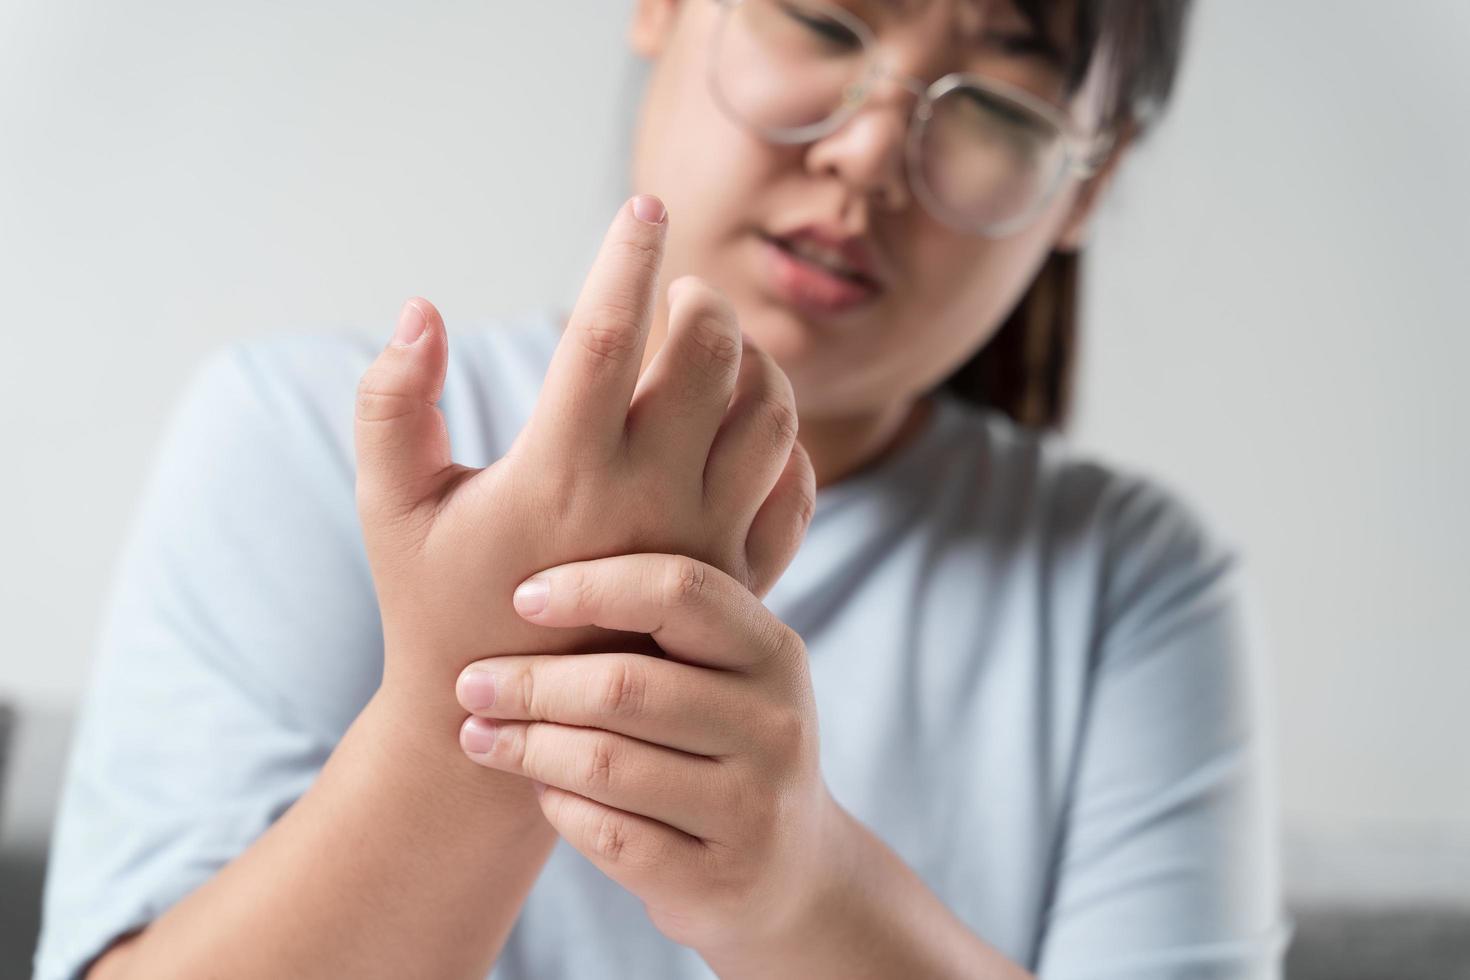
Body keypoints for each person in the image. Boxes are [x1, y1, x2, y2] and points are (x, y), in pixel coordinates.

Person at [36, 0, 1290, 977]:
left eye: (1001, 109)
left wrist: (802, 890)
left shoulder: (1134, 585)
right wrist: (456, 722)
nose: (866, 152)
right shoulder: (309, 437)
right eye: (819, 18)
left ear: (1089, 182)